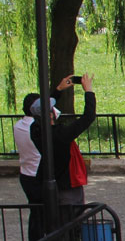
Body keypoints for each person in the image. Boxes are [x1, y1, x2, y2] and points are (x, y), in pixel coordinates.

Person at [30, 74, 96, 206]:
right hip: (67, 187)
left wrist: (59, 89)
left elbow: (43, 110)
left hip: (52, 184)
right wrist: (89, 91)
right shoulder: (61, 135)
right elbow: (88, 117)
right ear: (50, 115)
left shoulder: (35, 131)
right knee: (71, 221)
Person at [14, 93, 42, 241]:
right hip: (38, 175)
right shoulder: (36, 128)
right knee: (43, 216)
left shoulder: (19, 125)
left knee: (36, 214)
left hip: (26, 174)